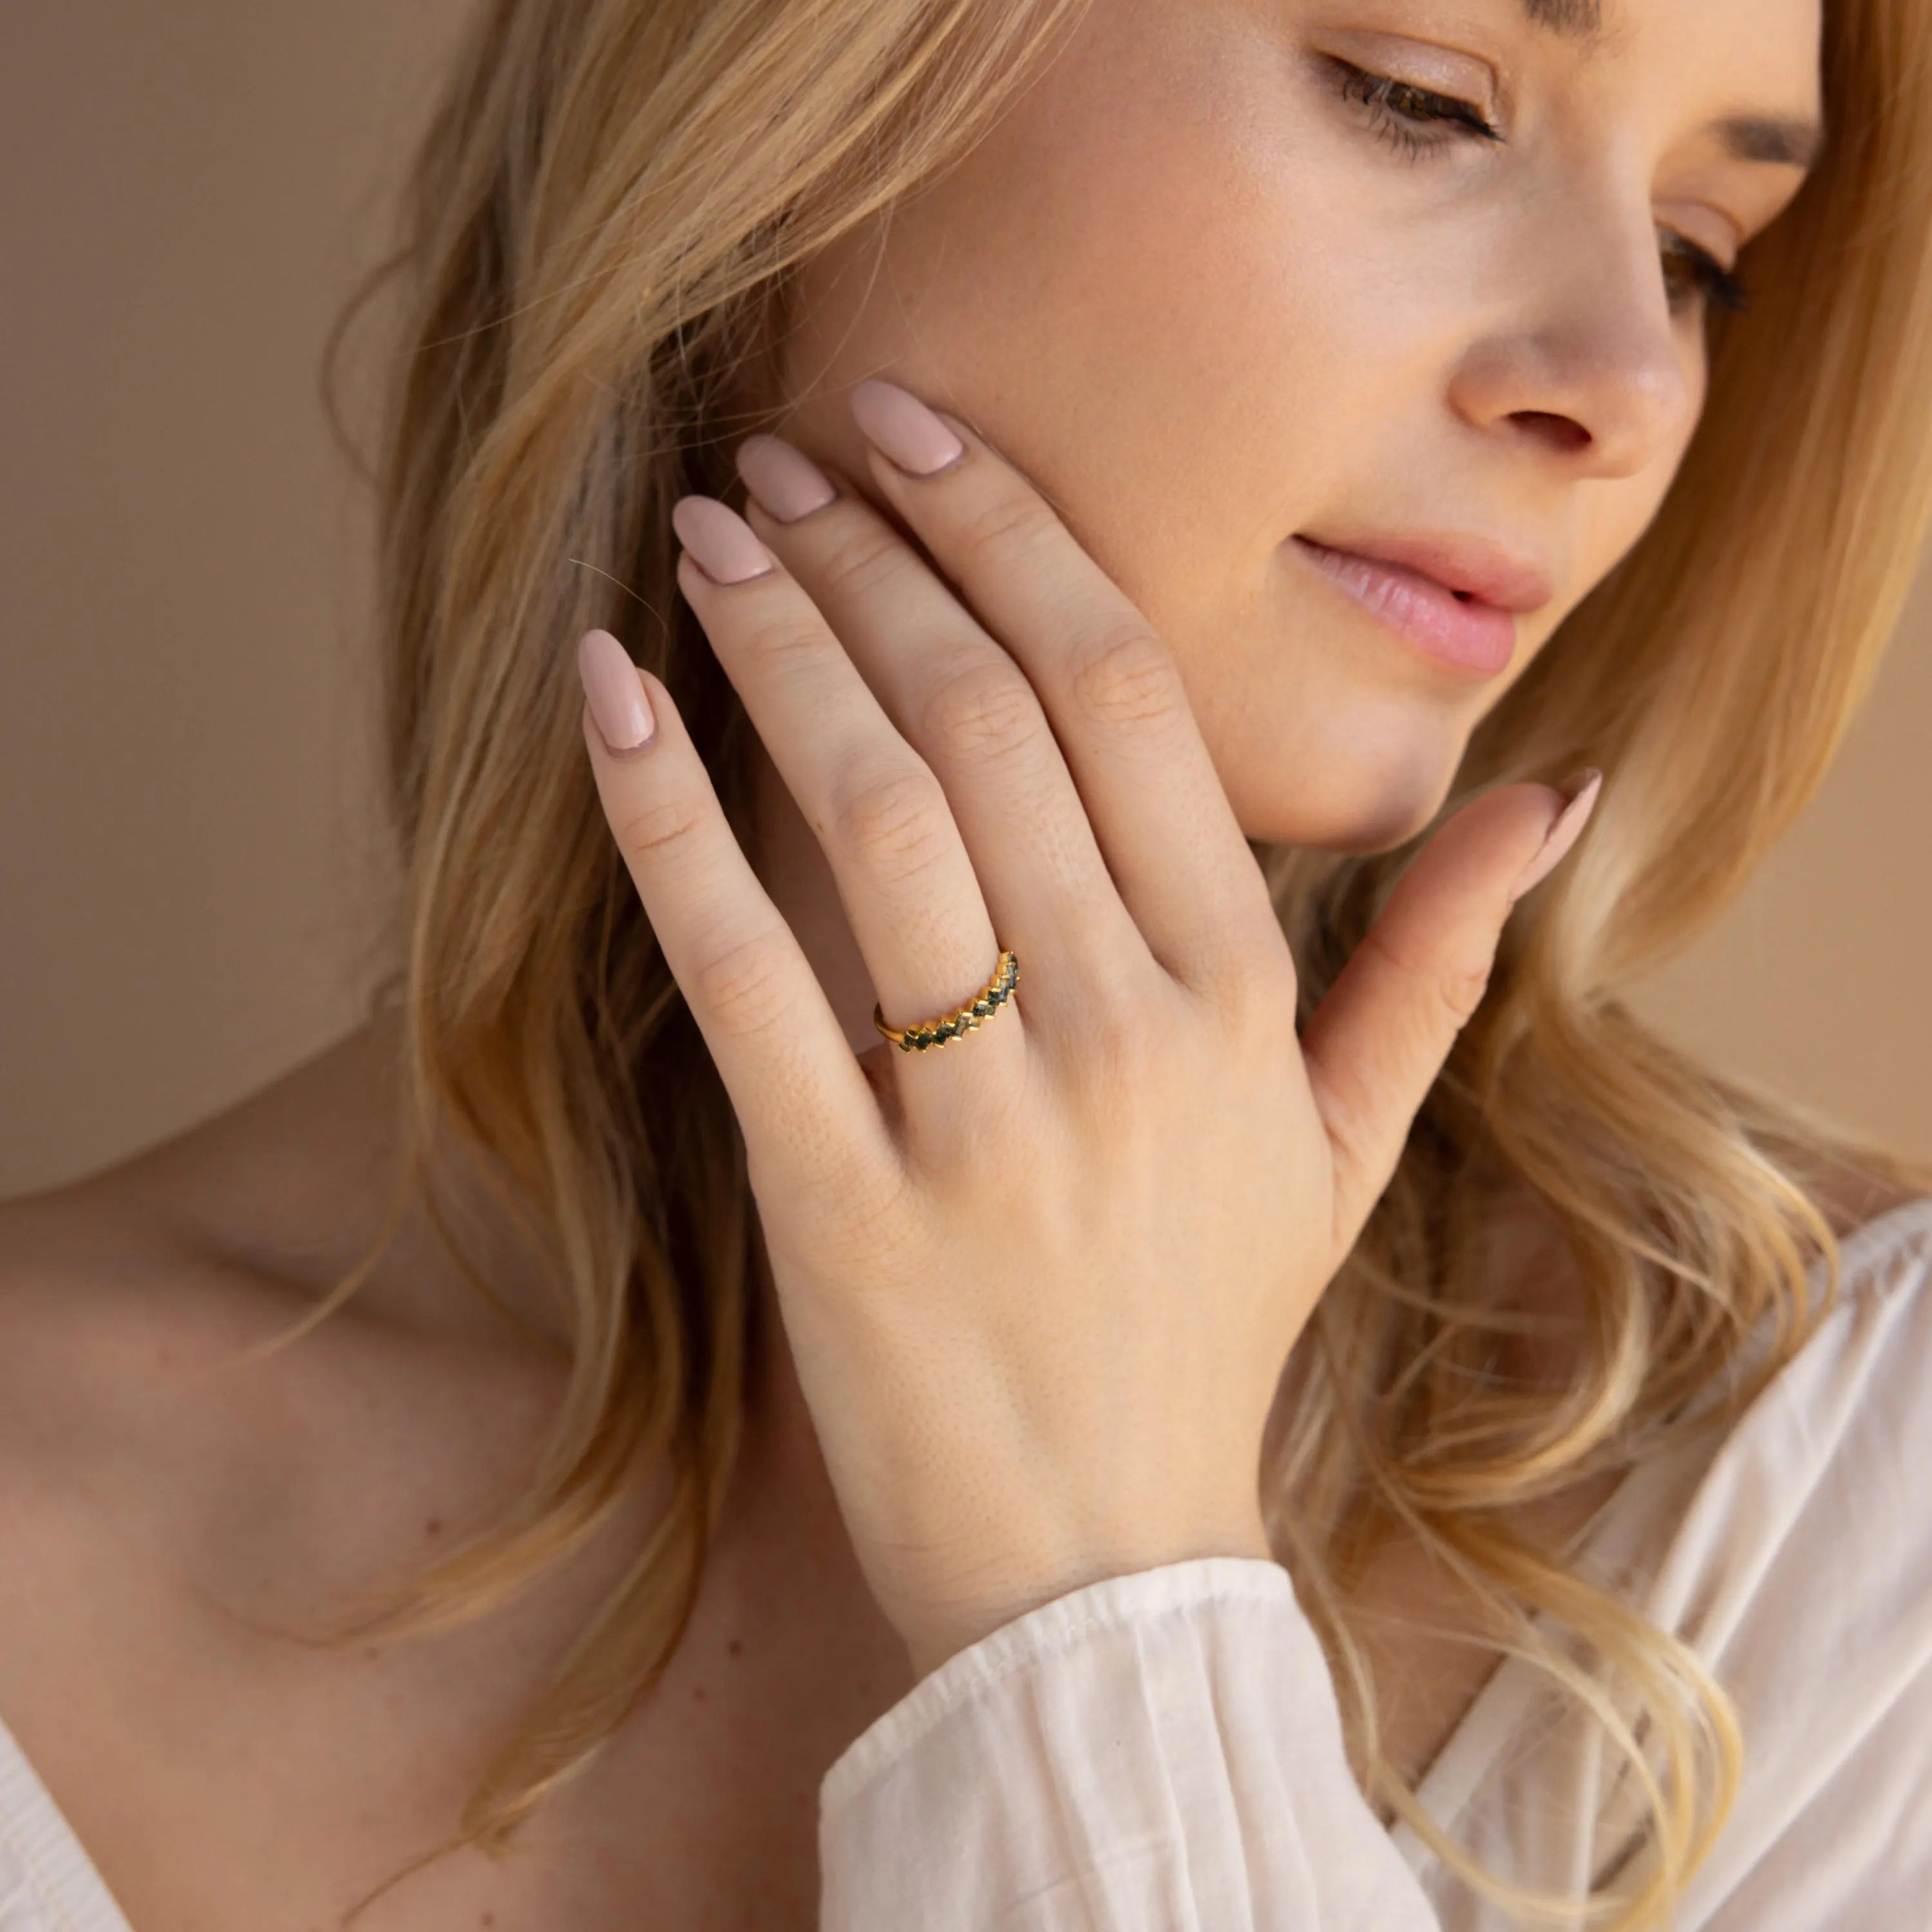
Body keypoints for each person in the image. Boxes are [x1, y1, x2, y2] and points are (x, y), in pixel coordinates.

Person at [3, 0, 1931, 1925]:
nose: (1628, 382)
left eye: (1700, 257)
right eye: (1416, 98)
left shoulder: (1833, 1499)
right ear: (791, 86)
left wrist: (1102, 1590)